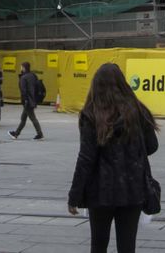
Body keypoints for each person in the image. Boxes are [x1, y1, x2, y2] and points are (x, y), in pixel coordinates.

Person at [68, 63, 159, 253]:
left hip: (100, 192)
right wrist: (131, 152)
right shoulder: (138, 110)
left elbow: (86, 159)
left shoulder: (91, 114)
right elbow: (152, 146)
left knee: (98, 245)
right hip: (132, 189)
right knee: (127, 247)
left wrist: (74, 196)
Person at [10, 61, 46, 140]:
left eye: (21, 67)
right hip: (33, 99)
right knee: (23, 118)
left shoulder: (23, 77)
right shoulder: (33, 75)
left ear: (23, 68)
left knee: (32, 118)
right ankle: (16, 133)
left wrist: (25, 100)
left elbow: (23, 90)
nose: (20, 68)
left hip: (28, 101)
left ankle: (40, 134)